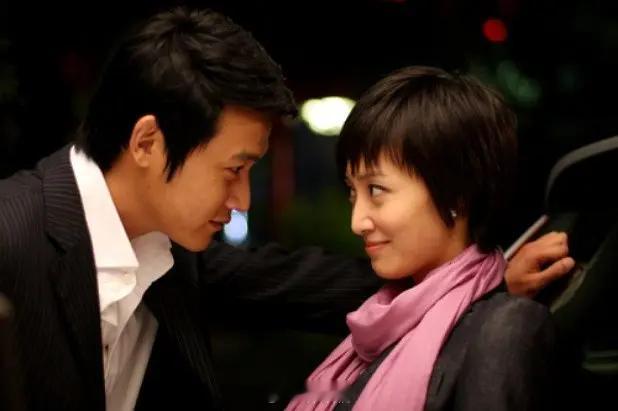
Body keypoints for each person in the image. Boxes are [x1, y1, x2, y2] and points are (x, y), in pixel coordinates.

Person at [0, 7, 571, 411]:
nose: (242, 200)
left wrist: (477, 282)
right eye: (234, 169)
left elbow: (307, 283)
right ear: (148, 143)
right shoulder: (11, 237)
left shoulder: (168, 254)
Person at [286, 66, 561, 411]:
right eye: (353, 193)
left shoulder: (505, 327)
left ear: (457, 194)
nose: (357, 222)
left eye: (376, 190)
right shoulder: (379, 325)